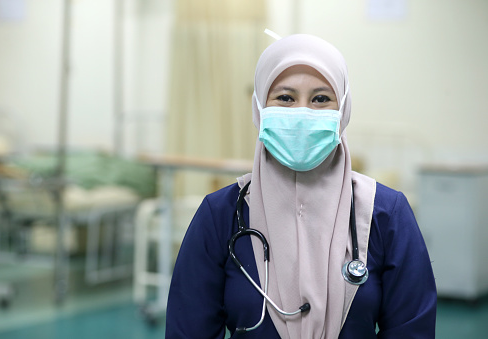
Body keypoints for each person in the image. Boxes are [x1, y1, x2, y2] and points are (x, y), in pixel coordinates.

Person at [166, 33, 436, 338]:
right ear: (259, 108)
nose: (302, 113)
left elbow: (412, 330)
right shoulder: (220, 215)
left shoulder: (386, 214)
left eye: (321, 99)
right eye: (285, 98)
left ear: (343, 110)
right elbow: (188, 330)